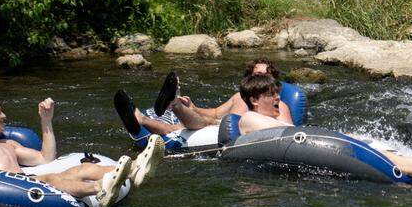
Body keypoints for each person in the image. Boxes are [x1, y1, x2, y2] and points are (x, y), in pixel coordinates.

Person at [236, 74, 412, 184]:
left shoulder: (269, 119)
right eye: (271, 95)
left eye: (277, 94)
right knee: (390, 161)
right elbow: (288, 134)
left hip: (317, 150)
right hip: (307, 154)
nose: (278, 99)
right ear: (255, 100)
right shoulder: (247, 119)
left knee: (393, 162)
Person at [0, 93, 163, 207]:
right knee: (50, 179)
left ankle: (135, 168)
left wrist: (46, 121)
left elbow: (45, 158)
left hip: (24, 181)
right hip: (3, 189)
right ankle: (101, 188)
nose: (4, 115)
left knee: (82, 168)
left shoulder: (8, 144)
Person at [114, 58, 292, 137]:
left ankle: (146, 116)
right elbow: (215, 112)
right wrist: (193, 106)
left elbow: (288, 131)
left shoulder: (278, 104)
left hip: (226, 131)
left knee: (179, 127)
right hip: (218, 125)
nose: (263, 78)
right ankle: (167, 106)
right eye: (258, 74)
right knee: (188, 125)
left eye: (266, 75)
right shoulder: (239, 96)